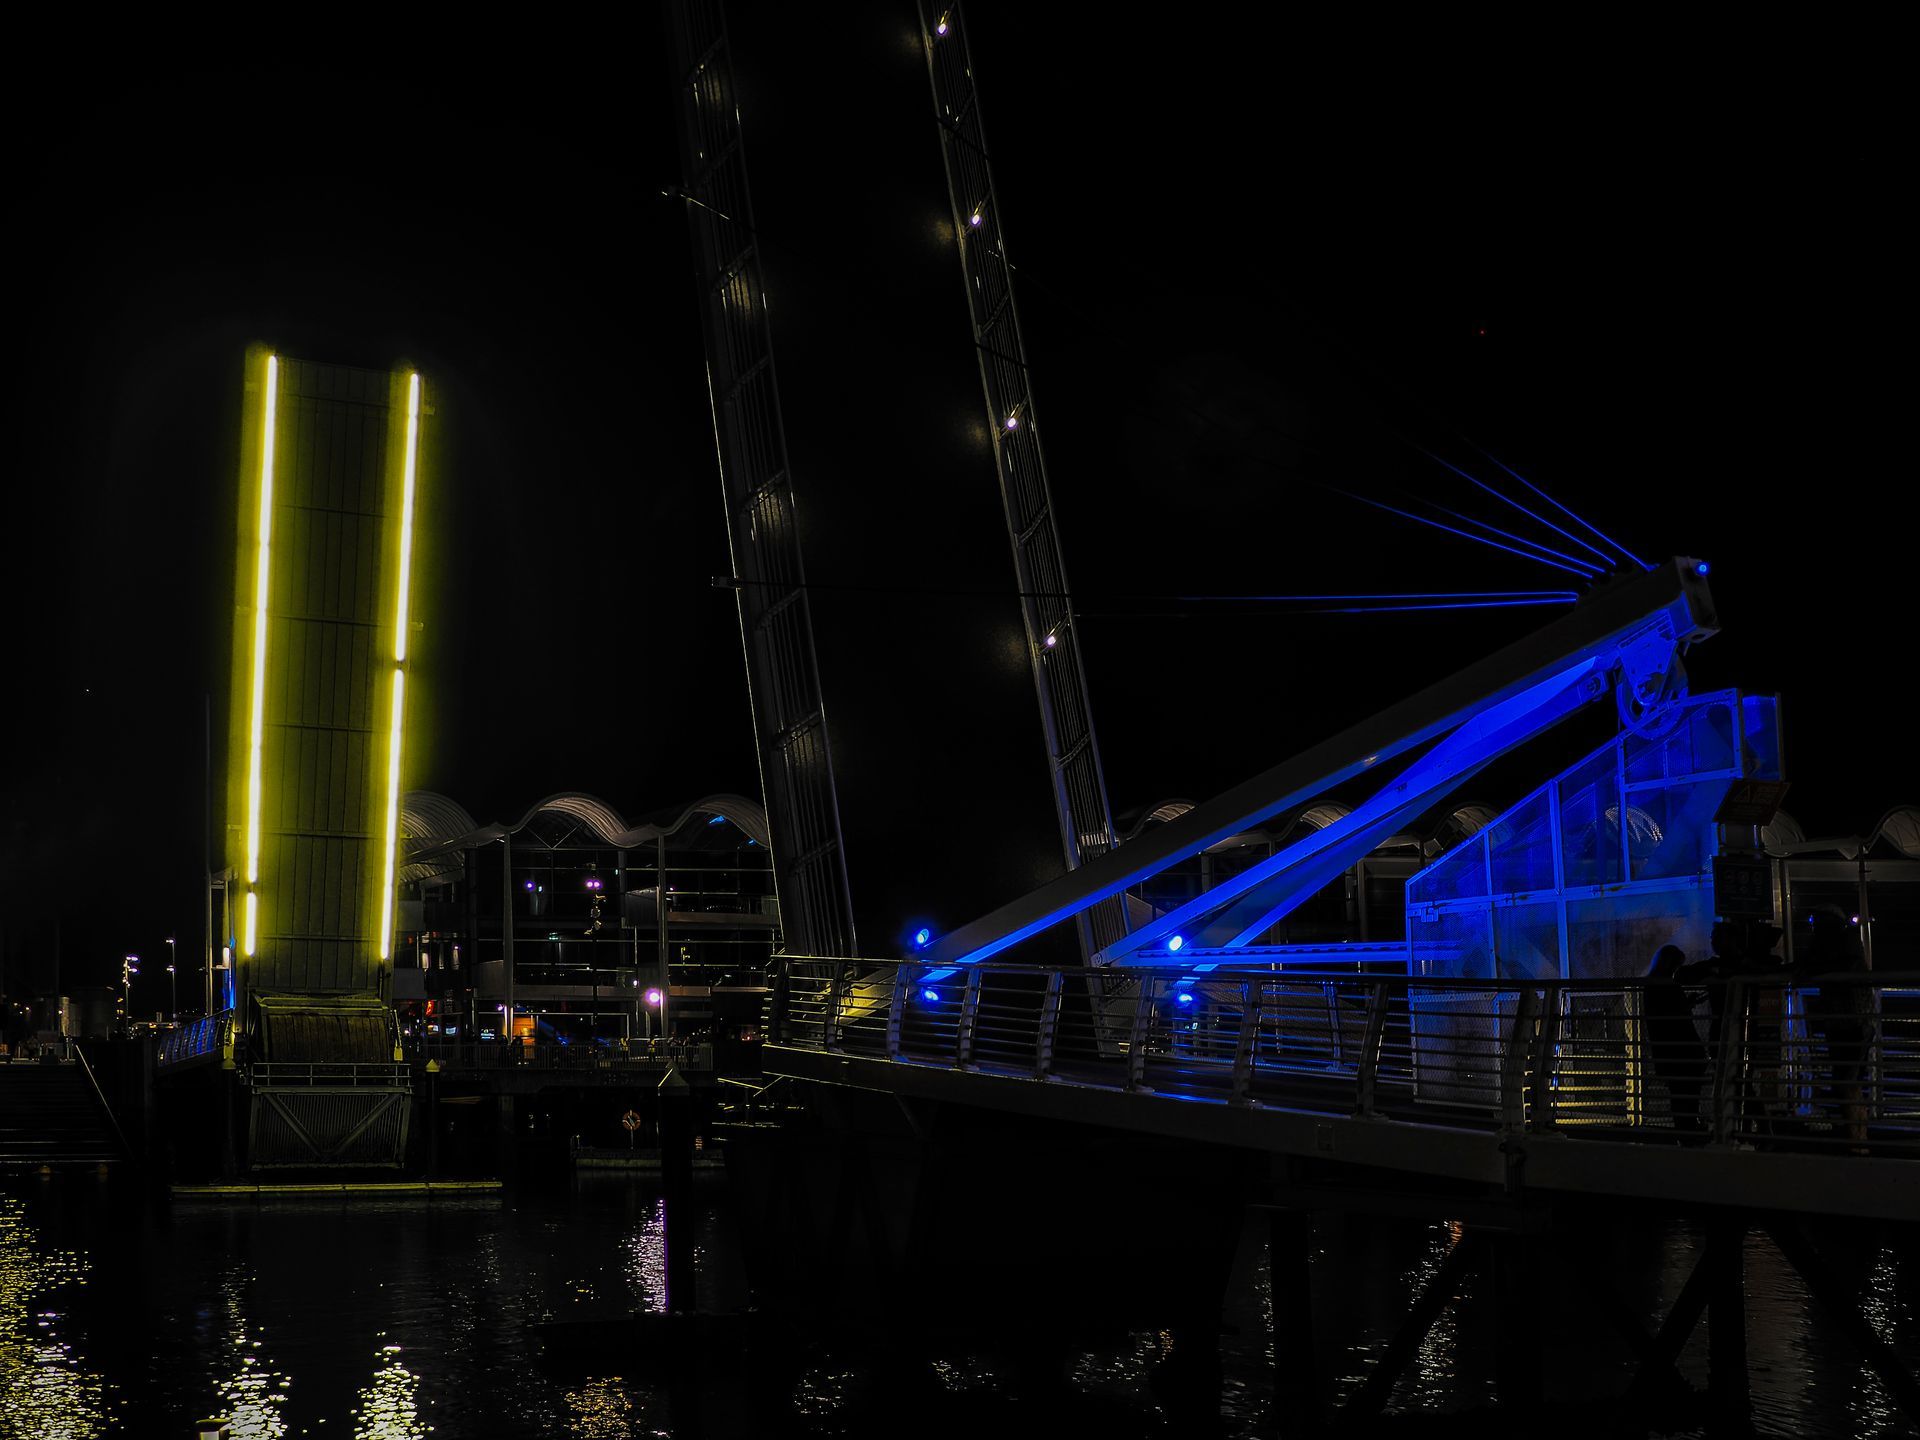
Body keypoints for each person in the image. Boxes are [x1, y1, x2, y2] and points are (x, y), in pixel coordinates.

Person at [1802, 905, 1871, 1144]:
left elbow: (1844, 965)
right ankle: (1857, 1139)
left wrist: (1814, 970)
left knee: (1846, 1082)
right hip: (1845, 1022)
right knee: (1847, 1082)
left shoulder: (1843, 942)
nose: (1815, 927)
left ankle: (1857, 1140)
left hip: (1852, 1022)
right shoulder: (1832, 945)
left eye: (1818, 922)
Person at [1644, 946, 1708, 1135]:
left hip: (1668, 1050)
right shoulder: (1668, 986)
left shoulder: (1651, 985)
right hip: (1683, 1048)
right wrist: (1687, 1004)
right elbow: (1676, 1014)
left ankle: (1685, 1130)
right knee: (1689, 1093)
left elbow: (1665, 1015)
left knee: (1678, 1093)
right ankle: (1689, 1129)